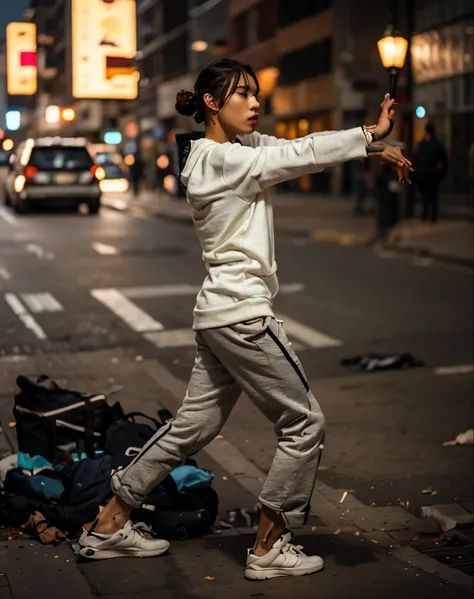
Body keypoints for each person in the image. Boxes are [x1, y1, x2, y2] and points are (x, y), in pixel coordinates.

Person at [79, 59, 413, 579]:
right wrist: (368, 131)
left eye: (257, 94)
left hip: (220, 314)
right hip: (241, 316)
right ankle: (268, 546)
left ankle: (108, 524)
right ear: (213, 103)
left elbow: (293, 149)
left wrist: (368, 144)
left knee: (194, 425)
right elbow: (300, 154)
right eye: (243, 94)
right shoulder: (221, 161)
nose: (256, 103)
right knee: (304, 423)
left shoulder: (235, 152)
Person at [413, 123, 447, 223]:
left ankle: (426, 214)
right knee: (433, 196)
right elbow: (443, 160)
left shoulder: (422, 145)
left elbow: (417, 159)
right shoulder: (437, 145)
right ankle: (432, 215)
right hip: (432, 174)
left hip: (425, 174)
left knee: (425, 195)